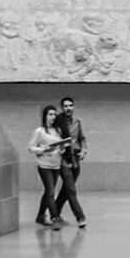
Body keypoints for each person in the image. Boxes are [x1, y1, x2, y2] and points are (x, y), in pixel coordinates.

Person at [29, 104, 66, 228]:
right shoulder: (40, 131)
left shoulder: (58, 131)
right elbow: (31, 147)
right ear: (45, 116)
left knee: (48, 192)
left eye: (55, 114)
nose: (53, 117)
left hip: (56, 165)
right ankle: (54, 217)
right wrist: (43, 150)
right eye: (50, 114)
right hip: (45, 166)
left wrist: (62, 148)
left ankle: (40, 216)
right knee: (50, 192)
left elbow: (60, 149)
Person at [53, 97, 88, 226]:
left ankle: (54, 213)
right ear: (62, 108)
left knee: (66, 189)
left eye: (70, 105)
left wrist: (83, 150)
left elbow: (82, 138)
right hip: (63, 158)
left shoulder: (77, 121)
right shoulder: (58, 122)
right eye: (66, 106)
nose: (68, 108)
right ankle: (80, 217)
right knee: (71, 189)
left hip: (75, 158)